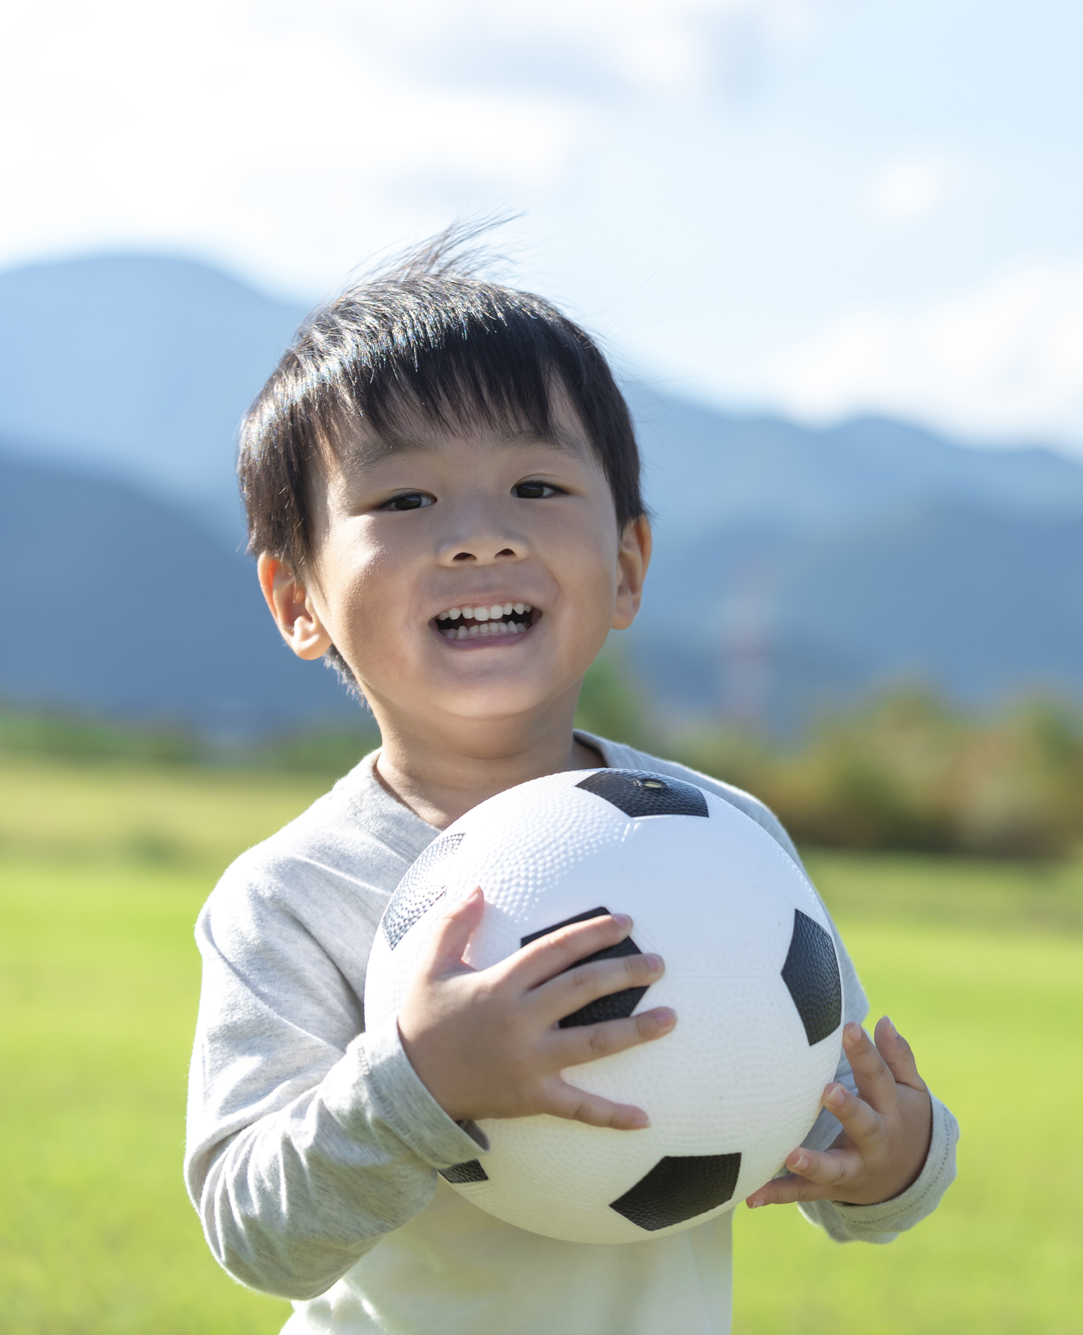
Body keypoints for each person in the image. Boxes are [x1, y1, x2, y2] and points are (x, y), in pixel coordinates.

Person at [184, 230, 959, 1333]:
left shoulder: (722, 842)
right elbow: (258, 1234)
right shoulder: (294, 897)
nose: (479, 537)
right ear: (296, 597)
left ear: (628, 566)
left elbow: (834, 1138)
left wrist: (898, 1157)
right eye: (403, 500)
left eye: (535, 485)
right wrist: (418, 1081)